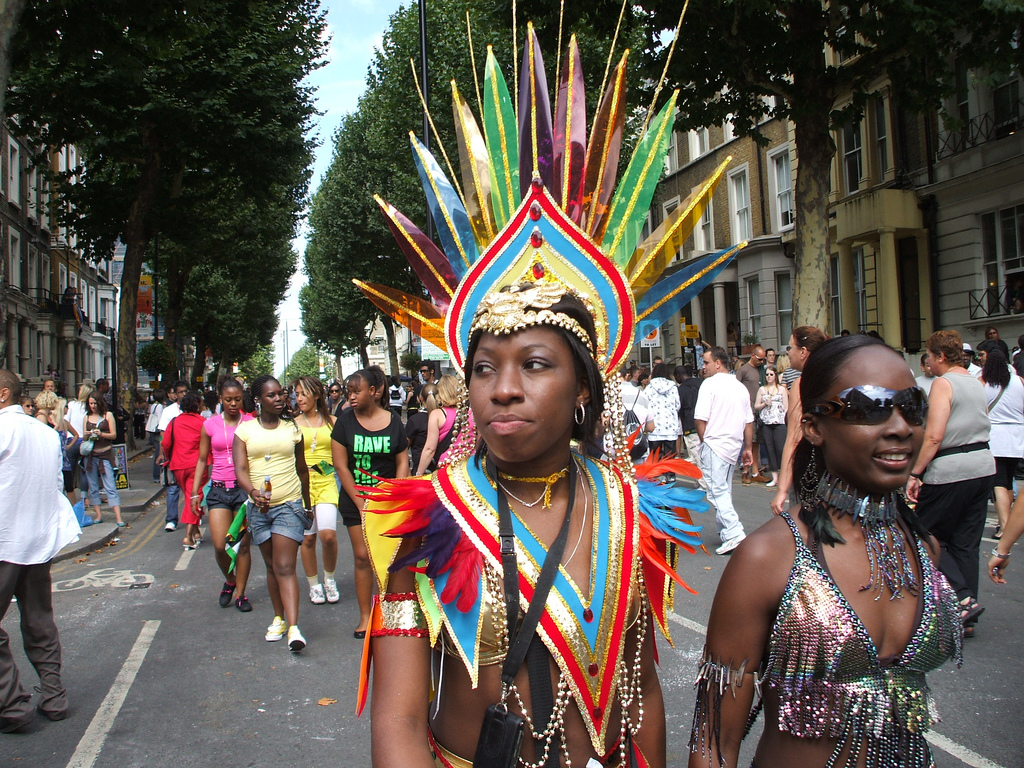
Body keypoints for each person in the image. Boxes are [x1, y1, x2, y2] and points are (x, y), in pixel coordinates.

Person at [689, 334, 962, 768]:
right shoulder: (769, 557)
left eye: (911, 407)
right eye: (869, 407)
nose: (899, 427)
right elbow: (714, 742)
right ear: (814, 426)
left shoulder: (921, 546)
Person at [0, 368, 81, 732]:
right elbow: (55, 484)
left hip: (4, 542)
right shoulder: (47, 434)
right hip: (37, 542)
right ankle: (54, 696)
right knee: (39, 621)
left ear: (3, 394)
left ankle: (13, 704)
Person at [907, 331, 995, 638]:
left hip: (951, 468)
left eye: (929, 356)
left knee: (923, 534)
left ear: (940, 356)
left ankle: (961, 599)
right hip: (983, 466)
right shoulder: (975, 381)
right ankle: (967, 613)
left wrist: (915, 473)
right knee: (966, 543)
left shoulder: (943, 384)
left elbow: (934, 436)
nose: (927, 362)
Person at [233, 375, 312, 652]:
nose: (279, 398)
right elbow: (241, 470)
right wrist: (252, 493)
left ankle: (293, 627)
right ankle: (278, 617)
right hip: (258, 509)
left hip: (289, 505)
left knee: (285, 566)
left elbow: (303, 470)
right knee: (270, 566)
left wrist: (308, 504)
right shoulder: (245, 432)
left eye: (281, 393)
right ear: (258, 399)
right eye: (271, 395)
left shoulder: (293, 429)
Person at [332, 366, 409, 637]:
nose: (351, 396)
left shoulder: (394, 421)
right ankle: (366, 616)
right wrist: (361, 502)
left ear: (374, 392)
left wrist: (395, 494)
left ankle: (390, 612)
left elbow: (402, 461)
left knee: (388, 557)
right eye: (348, 392)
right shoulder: (344, 422)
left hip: (388, 500)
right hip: (356, 500)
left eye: (356, 391)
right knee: (363, 556)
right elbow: (341, 466)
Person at [190, 377, 254, 612]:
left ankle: (241, 593)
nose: (233, 404)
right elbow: (201, 460)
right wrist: (195, 493)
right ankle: (230, 580)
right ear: (220, 399)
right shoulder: (210, 425)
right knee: (220, 545)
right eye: (228, 400)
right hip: (217, 488)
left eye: (237, 399)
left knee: (243, 545)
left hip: (242, 490)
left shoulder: (249, 423)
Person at [695, 346, 754, 554]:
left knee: (716, 490)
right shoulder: (739, 387)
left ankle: (734, 532)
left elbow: (700, 419)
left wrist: (705, 442)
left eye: (706, 363)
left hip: (715, 443)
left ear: (718, 363)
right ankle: (725, 531)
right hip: (734, 444)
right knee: (724, 488)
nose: (704, 367)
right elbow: (748, 421)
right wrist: (747, 447)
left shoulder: (709, 385)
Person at [293, 376, 341, 606]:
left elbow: (340, 457)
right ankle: (314, 585)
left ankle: (329, 578)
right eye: (297, 393)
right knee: (308, 539)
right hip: (301, 486)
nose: (298, 398)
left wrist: (319, 468)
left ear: (316, 395)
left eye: (303, 393)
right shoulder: (293, 424)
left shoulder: (333, 421)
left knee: (328, 535)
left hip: (326, 482)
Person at [770, 327, 827, 516]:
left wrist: (781, 491)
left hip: (810, 469)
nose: (788, 352)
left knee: (806, 532)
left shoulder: (802, 384)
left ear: (803, 352)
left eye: (790, 347)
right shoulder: (835, 376)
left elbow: (794, 438)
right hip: (836, 471)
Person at [977, 348, 1024, 541]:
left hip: (995, 436)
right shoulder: (1020, 382)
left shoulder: (983, 383)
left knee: (998, 482)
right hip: (1017, 437)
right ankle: (1008, 523)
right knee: (1009, 480)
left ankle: (1004, 525)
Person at [162, 391, 207, 549]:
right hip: (197, 467)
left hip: (178, 466)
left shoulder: (174, 422)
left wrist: (169, 458)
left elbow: (165, 443)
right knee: (194, 498)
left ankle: (195, 533)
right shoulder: (202, 422)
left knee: (190, 497)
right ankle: (188, 537)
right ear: (196, 405)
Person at [82, 390, 125, 526]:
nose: (93, 406)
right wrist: (88, 434)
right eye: (90, 404)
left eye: (95, 403)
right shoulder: (86, 417)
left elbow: (113, 435)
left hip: (105, 454)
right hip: (91, 456)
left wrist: (101, 434)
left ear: (100, 403)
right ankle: (98, 515)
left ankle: (118, 517)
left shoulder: (108, 415)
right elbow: (83, 436)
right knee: (93, 487)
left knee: (110, 486)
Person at [156, 380, 189, 532]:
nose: (183, 394)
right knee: (173, 488)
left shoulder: (193, 410)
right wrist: (162, 454)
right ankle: (171, 520)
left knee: (191, 489)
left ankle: (193, 517)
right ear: (175, 395)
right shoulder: (168, 411)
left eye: (185, 391)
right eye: (181, 392)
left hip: (190, 455)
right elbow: (162, 433)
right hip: (173, 455)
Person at [415, 374, 460, 476]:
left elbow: (430, 449)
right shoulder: (470, 413)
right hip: (467, 470)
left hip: (446, 471)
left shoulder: (437, 415)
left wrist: (419, 473)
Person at [735, 345, 768, 484]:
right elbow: (735, 389)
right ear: (753, 356)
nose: (762, 362)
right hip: (748, 412)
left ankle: (755, 472)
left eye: (763, 359)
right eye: (760, 359)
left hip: (760, 411)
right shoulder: (743, 370)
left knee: (756, 443)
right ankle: (746, 471)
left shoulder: (762, 370)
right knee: (748, 442)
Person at [754, 364, 788, 488]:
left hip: (779, 422)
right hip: (766, 423)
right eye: (767, 374)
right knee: (770, 449)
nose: (769, 377)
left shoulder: (781, 389)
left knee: (781, 448)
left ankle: (784, 475)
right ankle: (775, 477)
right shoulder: (762, 389)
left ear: (775, 376)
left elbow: (786, 406)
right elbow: (756, 406)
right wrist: (764, 404)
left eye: (771, 374)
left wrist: (782, 416)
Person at [645, 362, 681, 458]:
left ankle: (656, 472)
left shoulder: (649, 388)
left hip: (654, 428)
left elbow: (645, 406)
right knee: (670, 456)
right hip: (670, 426)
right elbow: (677, 405)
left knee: (654, 457)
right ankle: (670, 472)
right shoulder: (673, 387)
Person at [405, 383, 437, 475]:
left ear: (421, 398)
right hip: (442, 470)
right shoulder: (444, 417)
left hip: (420, 469)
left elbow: (405, 445)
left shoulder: (415, 420)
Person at [675, 364, 702, 463]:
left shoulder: (680, 390)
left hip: (690, 426)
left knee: (696, 456)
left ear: (678, 376)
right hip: (706, 424)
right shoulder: (701, 382)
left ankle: (701, 478)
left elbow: (678, 408)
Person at [145, 389, 166, 484]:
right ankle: (157, 475)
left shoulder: (153, 405)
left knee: (157, 452)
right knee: (159, 452)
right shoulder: (160, 406)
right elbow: (161, 419)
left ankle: (156, 475)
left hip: (152, 430)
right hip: (158, 431)